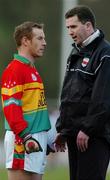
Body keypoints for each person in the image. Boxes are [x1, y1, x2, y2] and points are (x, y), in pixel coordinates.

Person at [55, 5, 110, 180]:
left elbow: (105, 99)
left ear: (88, 26)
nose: (69, 31)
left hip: (94, 136)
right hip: (76, 134)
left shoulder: (106, 54)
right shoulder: (76, 52)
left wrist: (88, 129)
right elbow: (69, 94)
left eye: (73, 26)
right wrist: (63, 128)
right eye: (67, 27)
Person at [1, 21, 51, 180]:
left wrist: (47, 139)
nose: (44, 43)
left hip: (35, 137)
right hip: (23, 138)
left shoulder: (31, 69)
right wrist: (26, 136)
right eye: (40, 38)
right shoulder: (15, 70)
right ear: (25, 41)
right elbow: (10, 108)